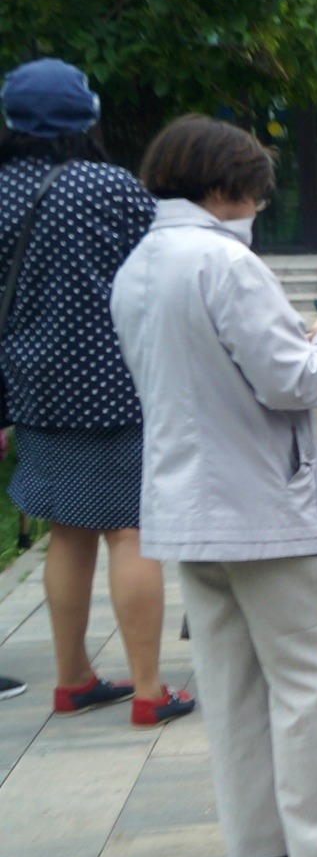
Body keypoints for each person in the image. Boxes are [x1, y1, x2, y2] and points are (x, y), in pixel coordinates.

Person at [114, 116, 317, 857]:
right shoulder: (225, 263)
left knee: (232, 680)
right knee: (314, 670)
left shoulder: (141, 262)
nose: (256, 204)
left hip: (186, 500)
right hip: (259, 501)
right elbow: (295, 381)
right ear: (226, 187)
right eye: (253, 191)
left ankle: (259, 833)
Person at [0, 59, 192, 726]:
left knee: (67, 529)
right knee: (130, 530)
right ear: (86, 117)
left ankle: (73, 678)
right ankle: (149, 690)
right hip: (115, 384)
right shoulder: (108, 186)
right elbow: (163, 265)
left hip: (32, 386)